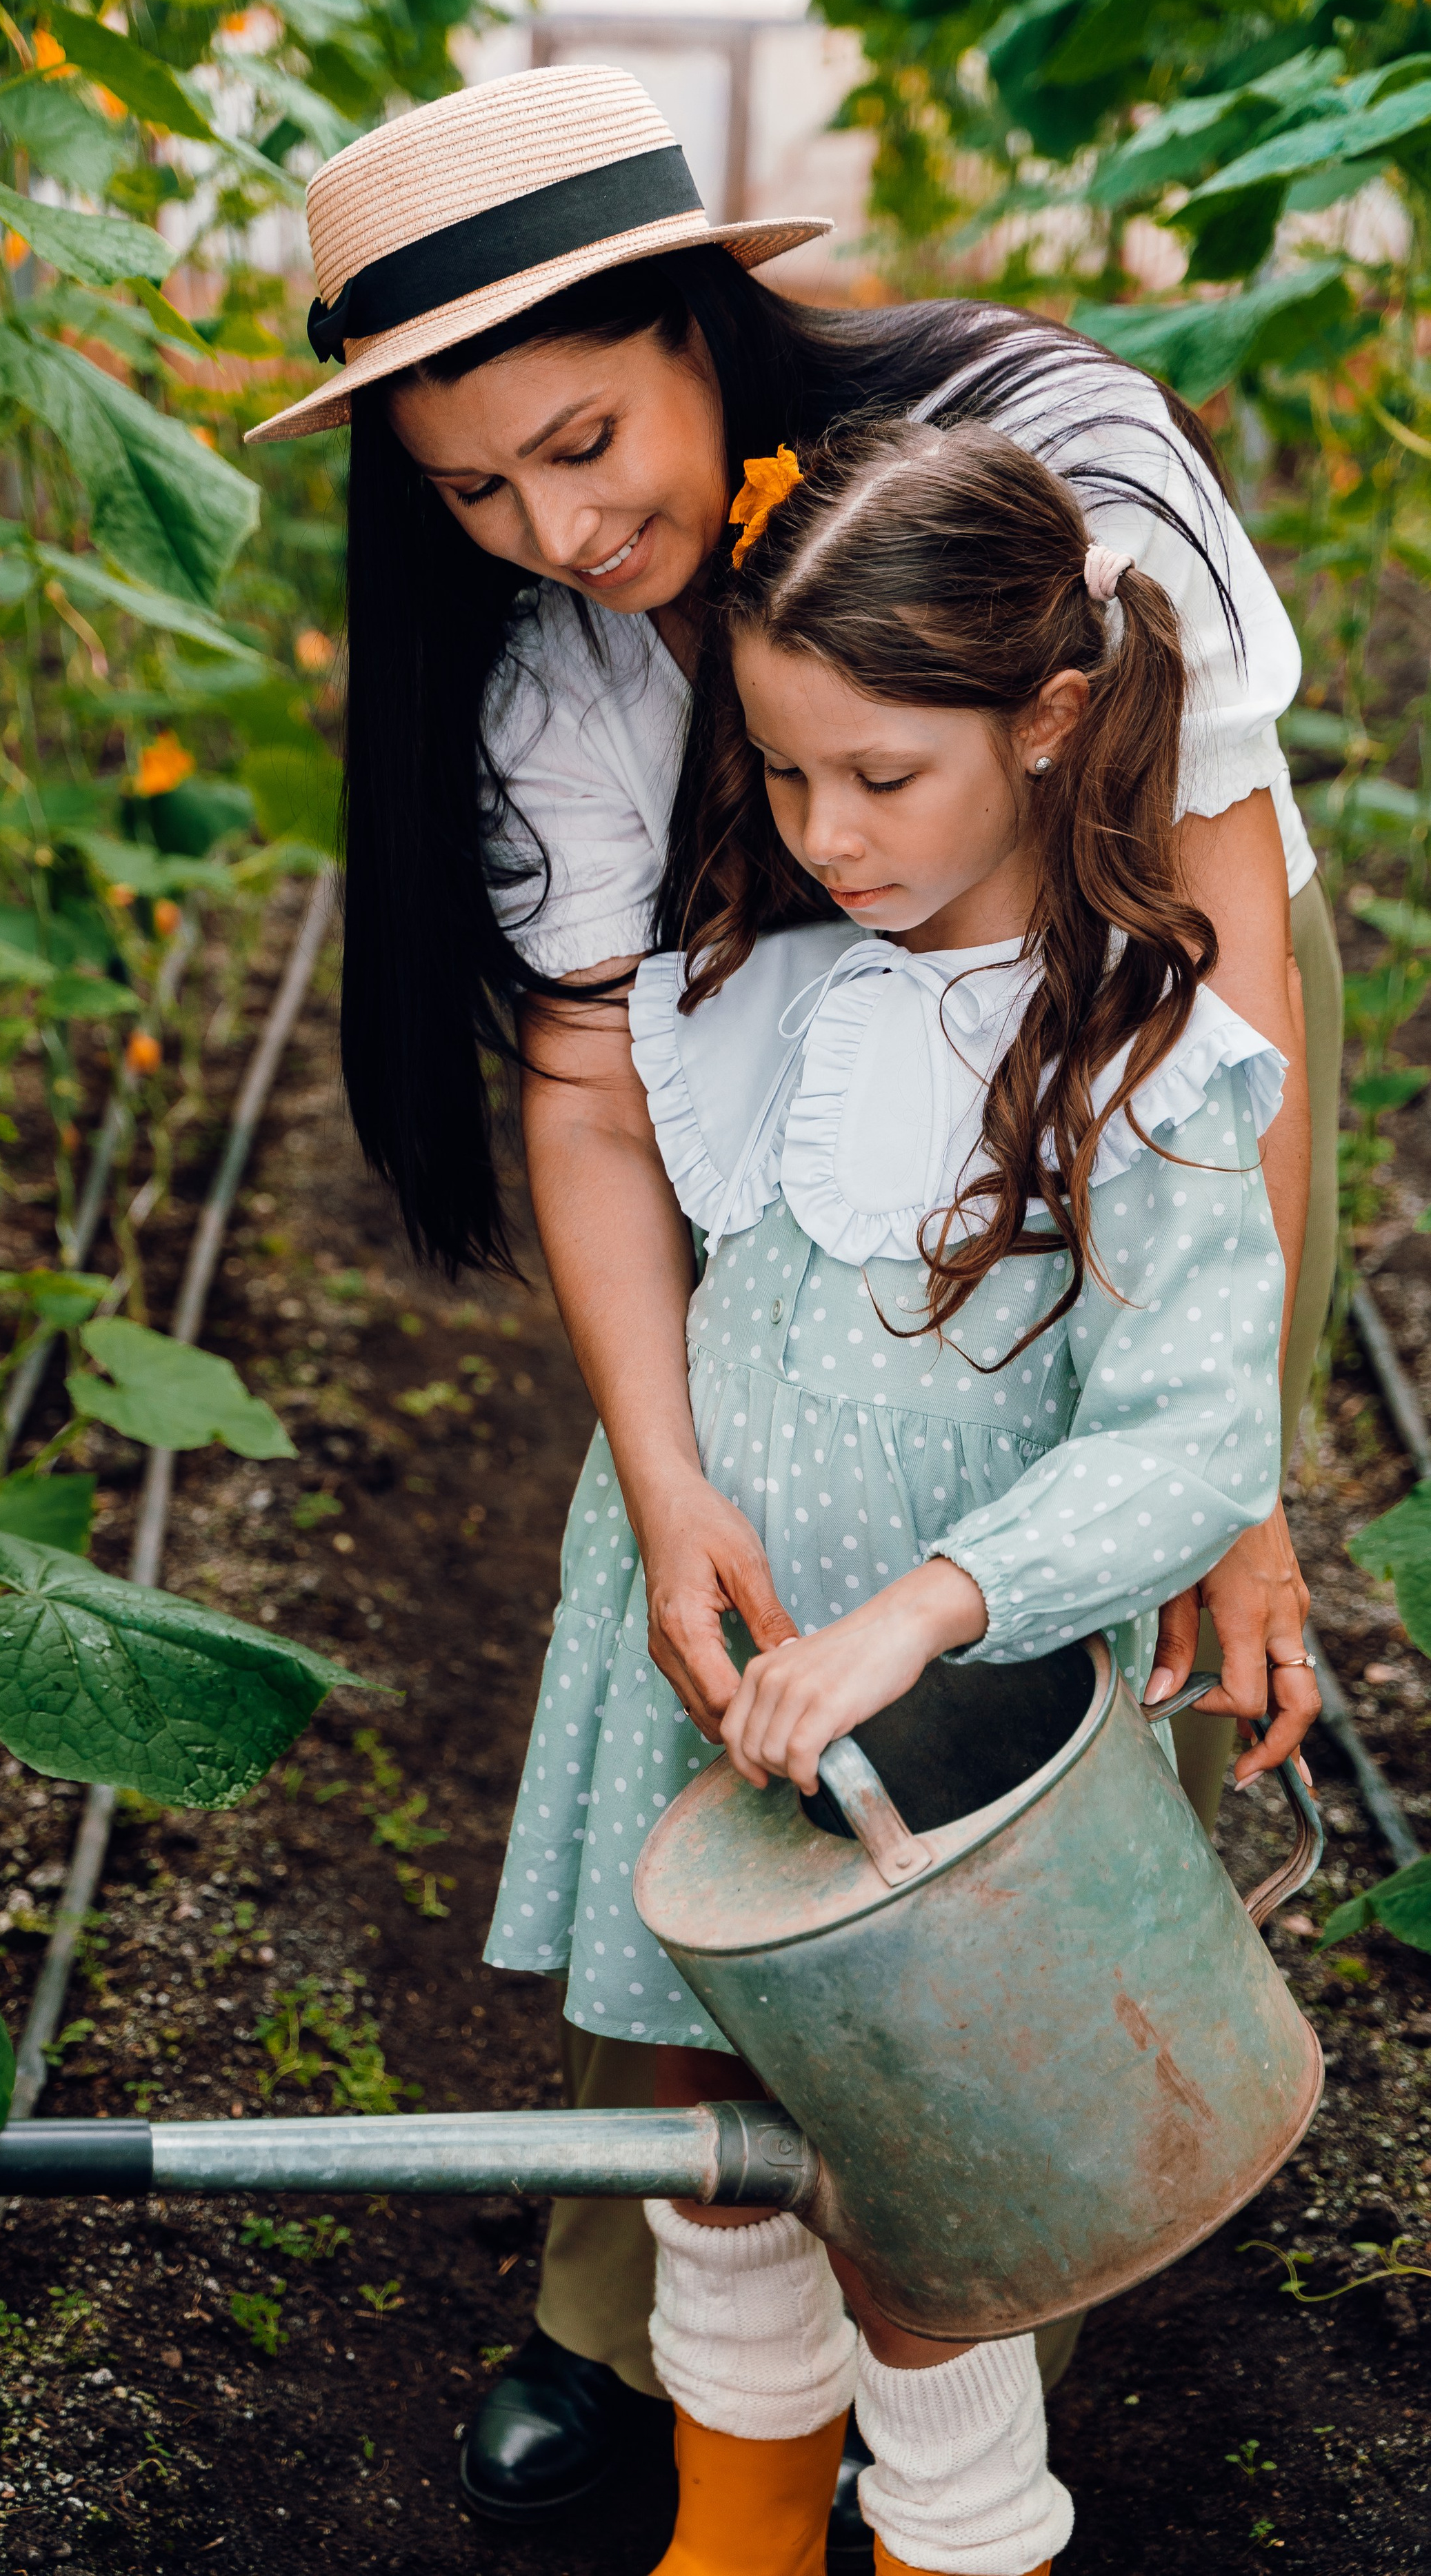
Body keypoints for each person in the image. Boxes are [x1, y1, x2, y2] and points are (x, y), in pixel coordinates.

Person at [246, 61, 1332, 2532]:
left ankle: (973, 2383)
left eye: (584, 437)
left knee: (982, 1959)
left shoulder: (1055, 481)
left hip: (1126, 1022)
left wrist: (1235, 1493)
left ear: (702, 323)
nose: (554, 523)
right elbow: (606, 1094)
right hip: (832, 1280)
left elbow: (1227, 970)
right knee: (720, 1911)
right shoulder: (564, 661)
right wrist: (660, 1472)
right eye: (471, 490)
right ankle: (673, 2384)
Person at [489, 414, 1301, 2576]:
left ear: (1046, 725)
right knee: (716, 2153)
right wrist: (667, 1517)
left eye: (883, 778)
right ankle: (736, 2526)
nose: (826, 834)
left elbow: (1193, 1437)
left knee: (908, 2191)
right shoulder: (766, 990)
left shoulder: (1146, 1053)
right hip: (719, 1666)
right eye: (781, 775)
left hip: (944, 1742)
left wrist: (933, 1606)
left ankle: (962, 2541)